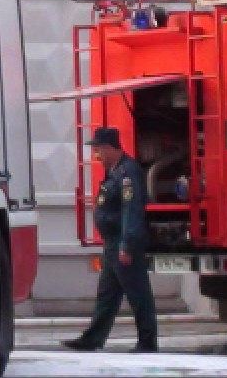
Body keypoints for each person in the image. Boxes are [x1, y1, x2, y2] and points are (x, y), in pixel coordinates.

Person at [62, 126, 159, 353]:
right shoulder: (115, 172)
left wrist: (126, 246)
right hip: (112, 244)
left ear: (109, 148)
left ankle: (148, 341)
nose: (96, 155)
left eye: (98, 150)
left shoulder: (127, 173)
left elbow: (131, 212)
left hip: (123, 243)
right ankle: (93, 338)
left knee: (138, 293)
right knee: (107, 295)